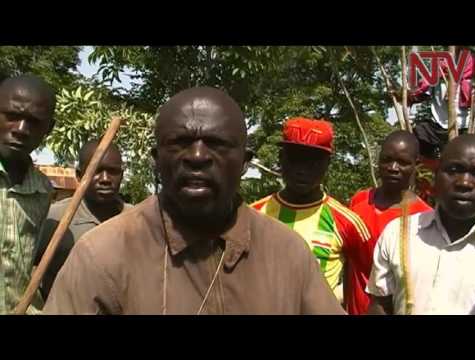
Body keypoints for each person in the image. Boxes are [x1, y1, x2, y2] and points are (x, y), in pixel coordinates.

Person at [43, 87, 344, 315]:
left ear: (244, 163)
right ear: (156, 161)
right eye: (180, 143)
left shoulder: (288, 255)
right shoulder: (103, 254)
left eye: (216, 144)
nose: (197, 157)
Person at [251, 117, 370, 301]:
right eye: (295, 159)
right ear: (281, 159)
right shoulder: (253, 215)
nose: (302, 170)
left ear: (327, 164)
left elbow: (368, 286)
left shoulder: (348, 223)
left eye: (313, 161)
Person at [367, 134, 475, 315]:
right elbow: (380, 305)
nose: (464, 182)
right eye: (453, 170)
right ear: (435, 176)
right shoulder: (397, 232)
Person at [35, 139, 132, 299]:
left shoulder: (137, 221)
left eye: (113, 171)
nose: (105, 179)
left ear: (121, 175)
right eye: (96, 171)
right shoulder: (54, 218)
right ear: (79, 175)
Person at [347, 130, 431, 315]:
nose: (393, 167)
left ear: (416, 165)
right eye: (387, 159)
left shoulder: (423, 219)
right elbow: (348, 263)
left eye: (402, 162)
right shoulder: (359, 201)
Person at [0, 75, 56, 314]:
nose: (21, 130)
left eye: (33, 122)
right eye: (12, 116)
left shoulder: (43, 191)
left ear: (48, 129)